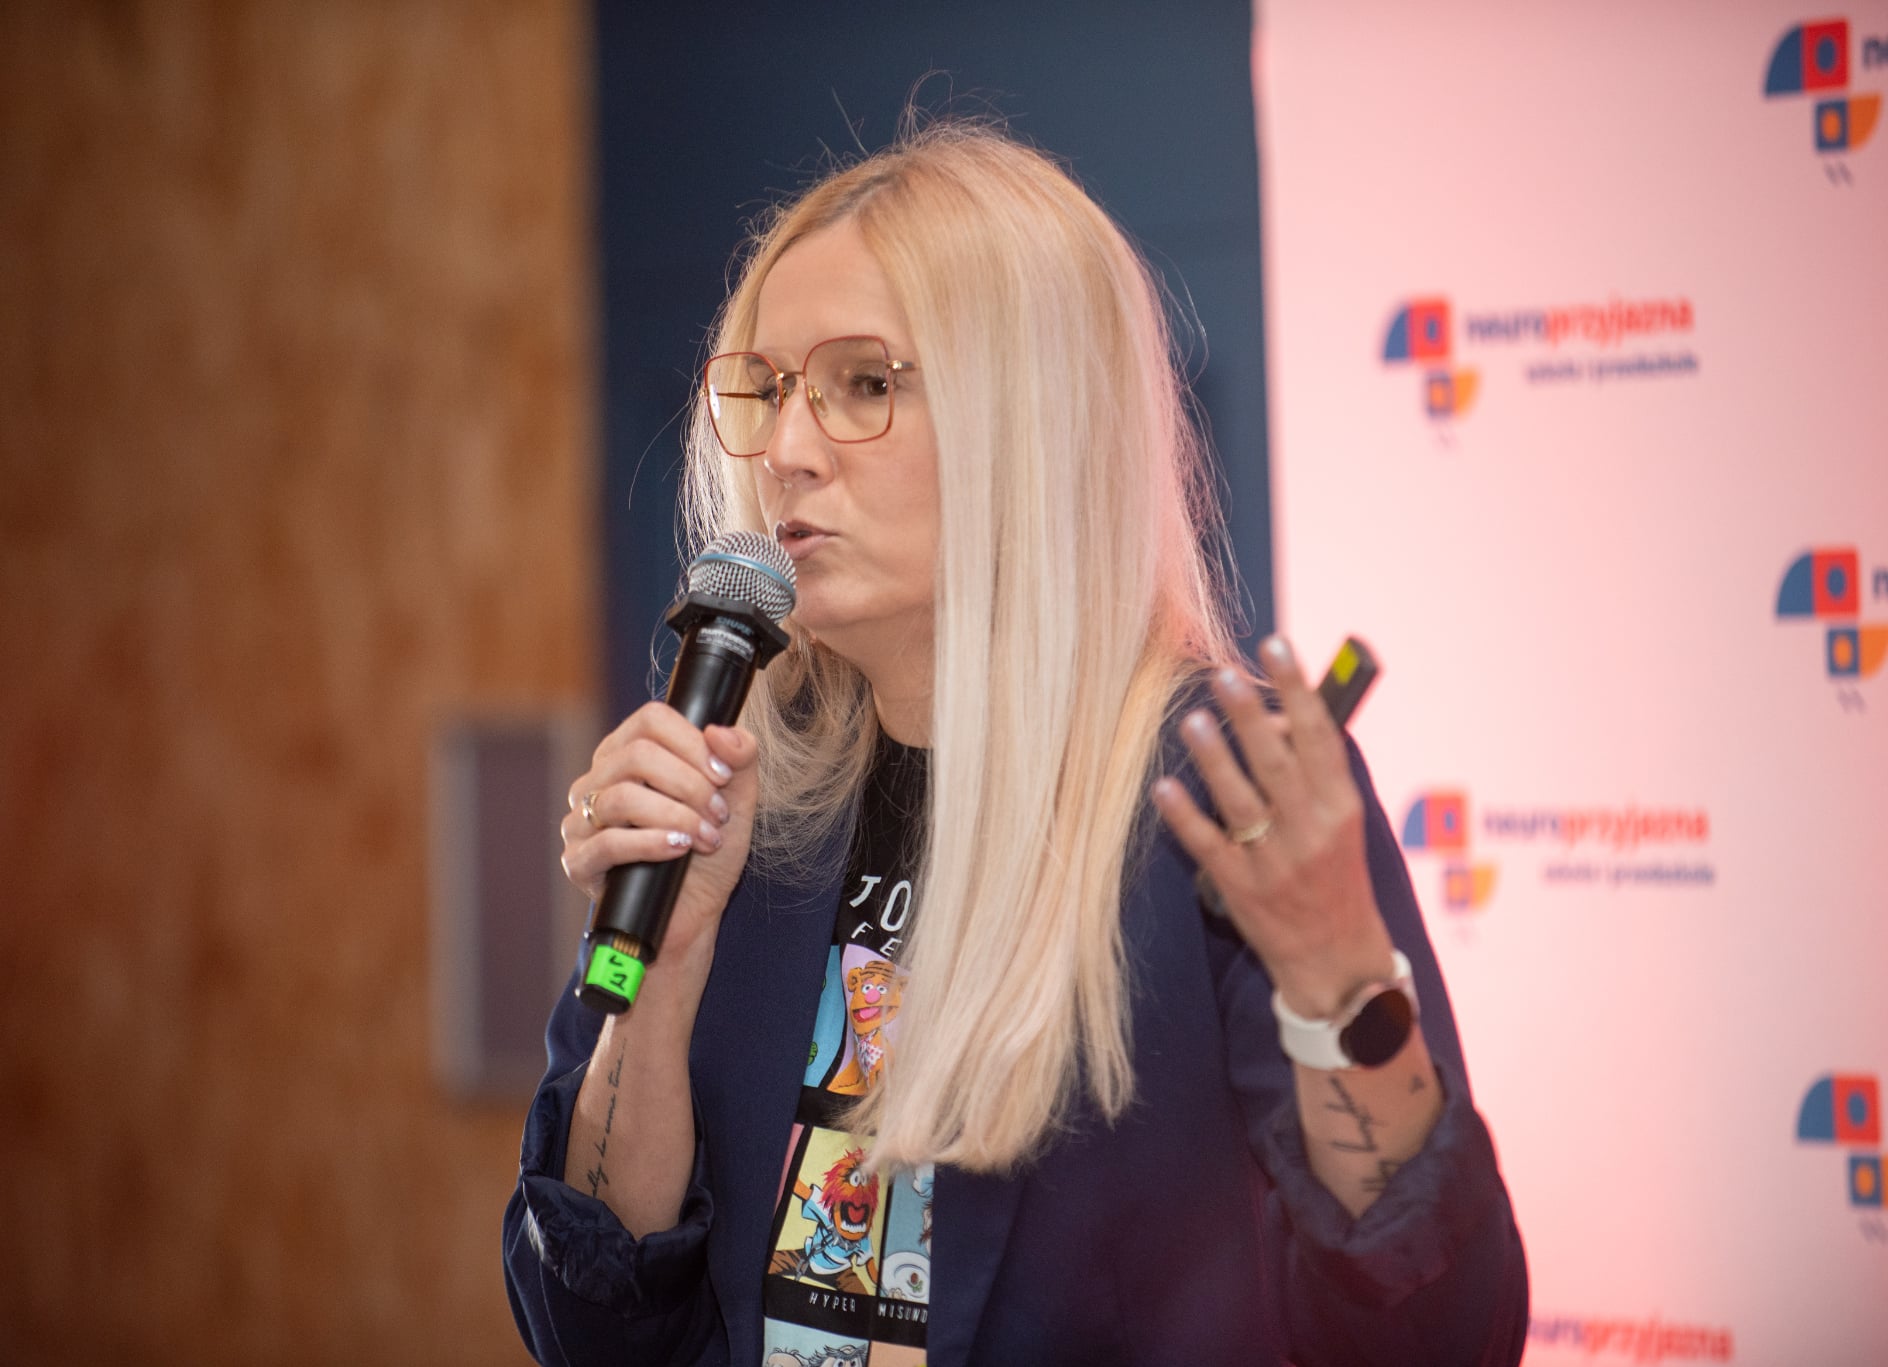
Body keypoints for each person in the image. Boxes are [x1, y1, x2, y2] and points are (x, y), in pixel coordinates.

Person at [502, 120, 1527, 1366]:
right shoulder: (738, 795)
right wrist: (653, 990)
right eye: (765, 389)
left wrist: (1341, 992)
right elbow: (590, 1328)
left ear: (1032, 419)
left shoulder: (1213, 792)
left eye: (862, 385)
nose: (785, 452)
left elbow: (1436, 1337)